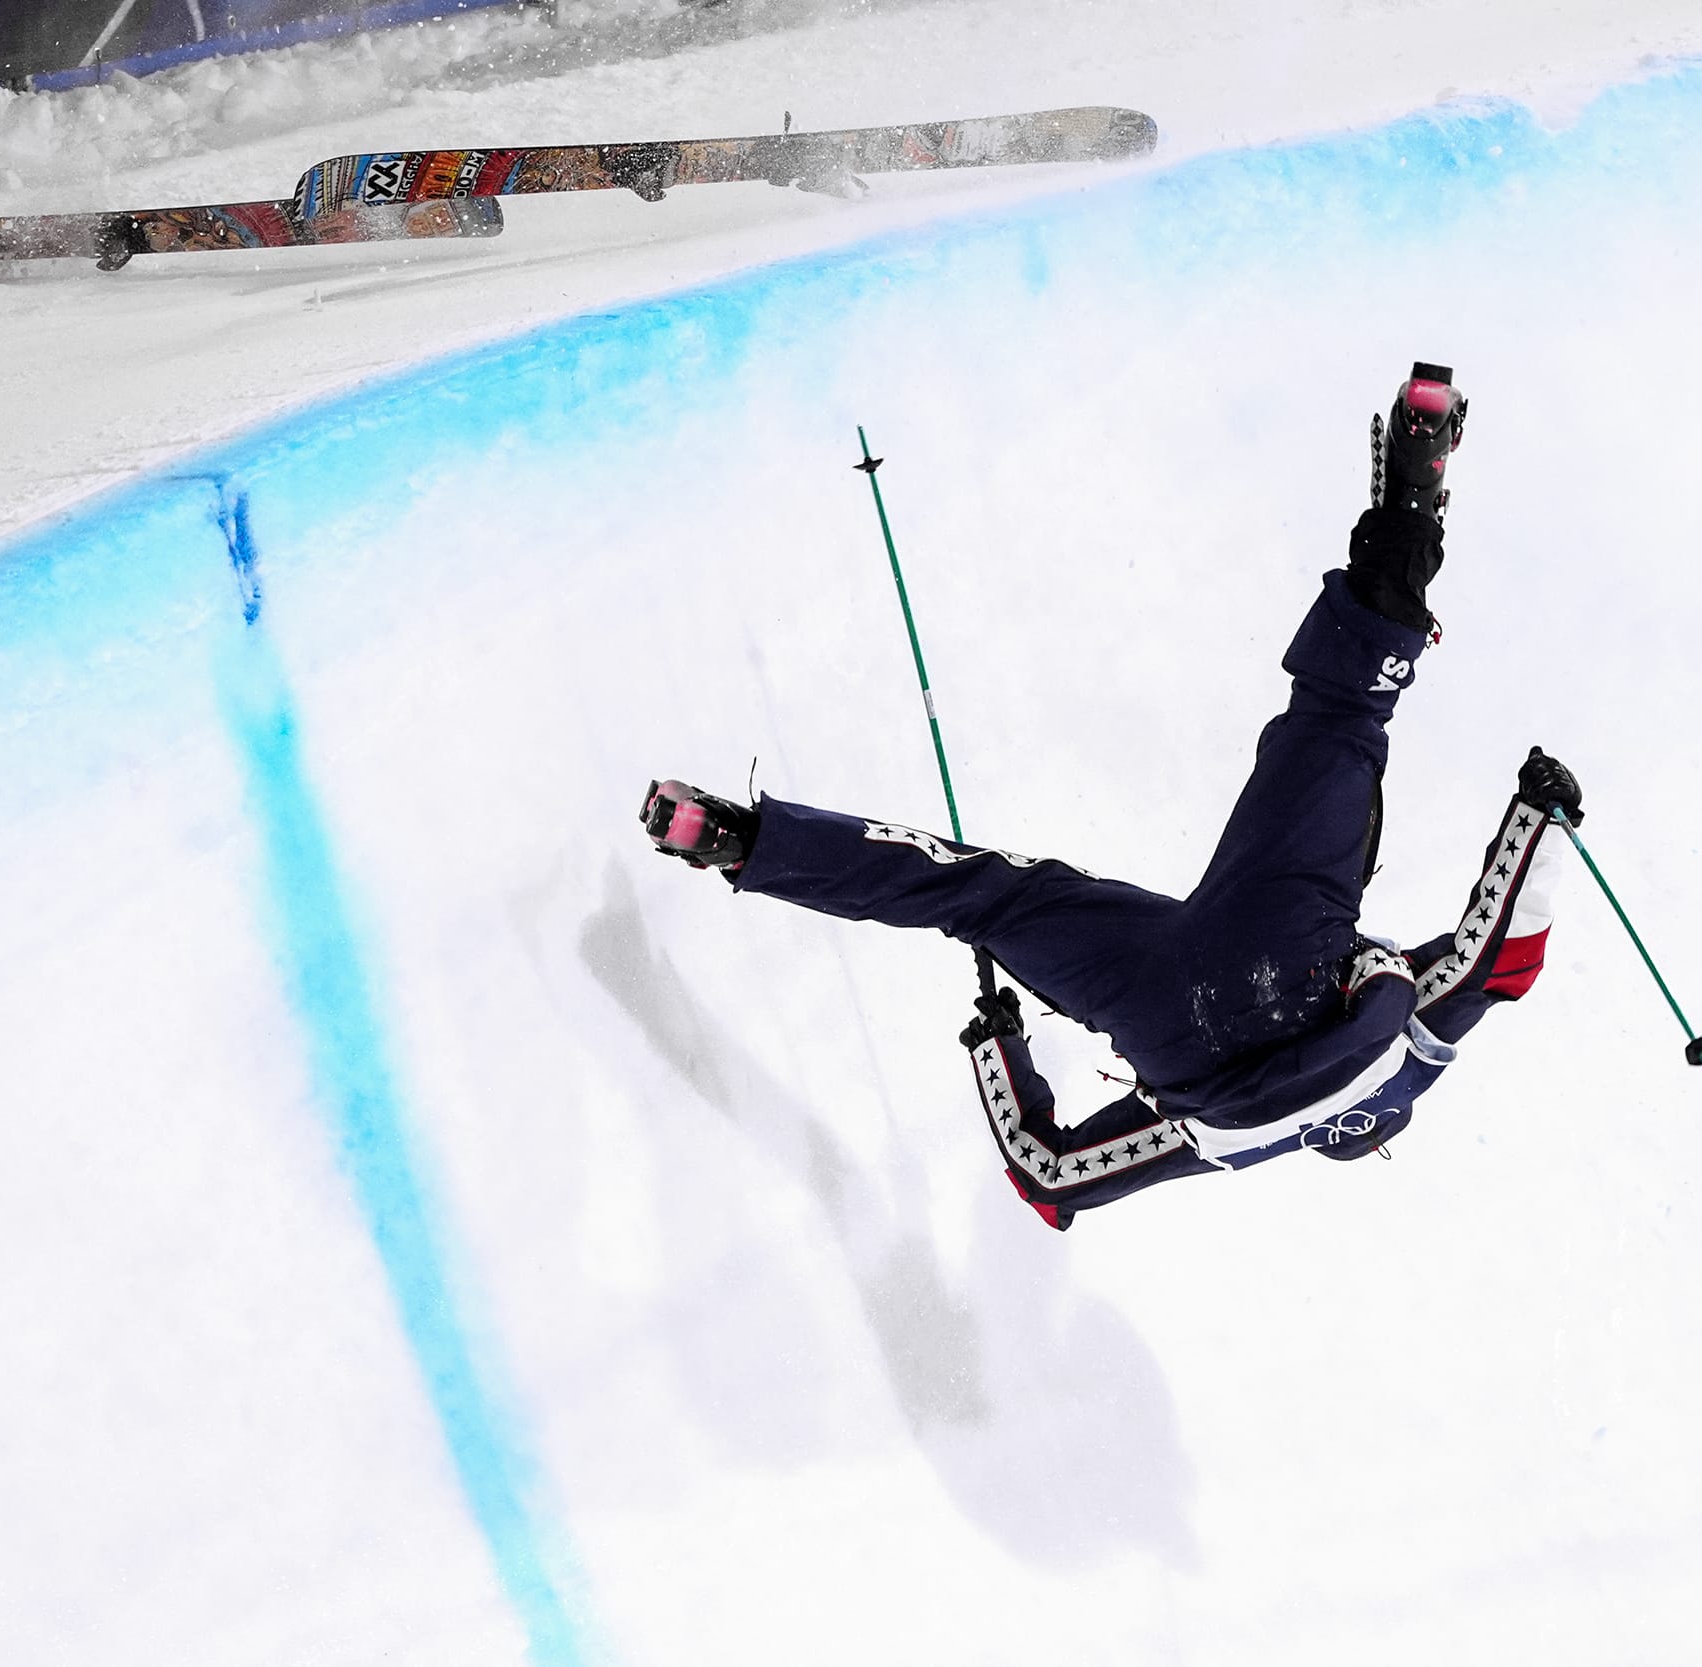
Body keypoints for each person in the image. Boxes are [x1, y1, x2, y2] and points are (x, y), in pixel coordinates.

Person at [638, 363, 1582, 1229]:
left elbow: (1498, 959)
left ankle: (1415, 477)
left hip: (1288, 955)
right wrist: (1000, 1049)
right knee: (975, 895)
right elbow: (1049, 1175)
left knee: (1342, 713)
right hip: (1171, 1026)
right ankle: (732, 837)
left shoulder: (1403, 1062)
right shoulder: (1216, 1147)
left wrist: (1542, 818)